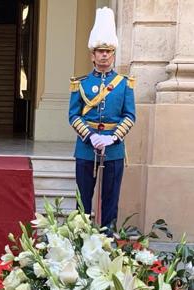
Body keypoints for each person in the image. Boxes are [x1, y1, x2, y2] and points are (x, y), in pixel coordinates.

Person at [68, 7, 136, 231]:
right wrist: (91, 136)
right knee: (83, 201)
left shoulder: (125, 84)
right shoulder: (81, 83)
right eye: (100, 51)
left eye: (108, 51)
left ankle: (107, 239)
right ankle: (81, 238)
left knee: (110, 201)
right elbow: (73, 115)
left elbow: (129, 116)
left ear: (113, 55)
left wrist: (112, 138)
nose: (104, 55)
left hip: (114, 150)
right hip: (86, 149)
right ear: (92, 55)